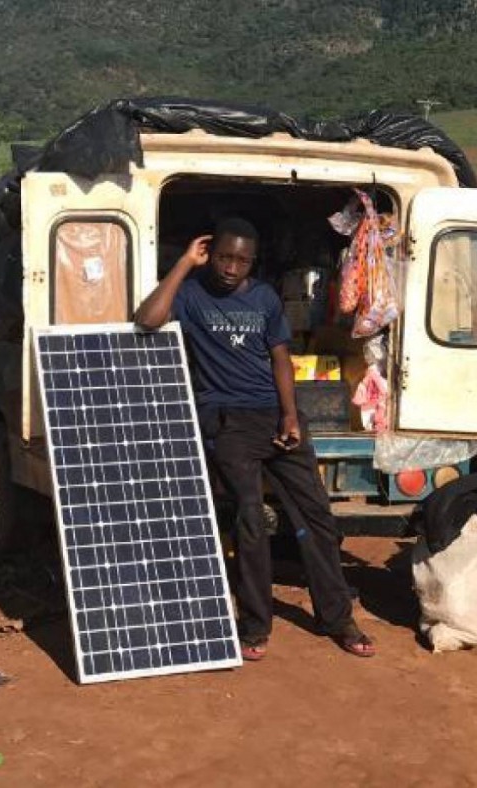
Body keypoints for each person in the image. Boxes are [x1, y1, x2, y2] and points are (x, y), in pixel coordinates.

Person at [134, 217, 376, 660]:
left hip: (276, 415)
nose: (231, 268)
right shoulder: (190, 294)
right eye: (224, 257)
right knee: (249, 518)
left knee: (317, 516)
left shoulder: (264, 297)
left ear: (253, 262)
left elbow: (280, 358)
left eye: (242, 261)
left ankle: (338, 618)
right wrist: (185, 264)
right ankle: (255, 626)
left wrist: (290, 417)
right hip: (226, 420)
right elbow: (147, 319)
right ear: (211, 252)